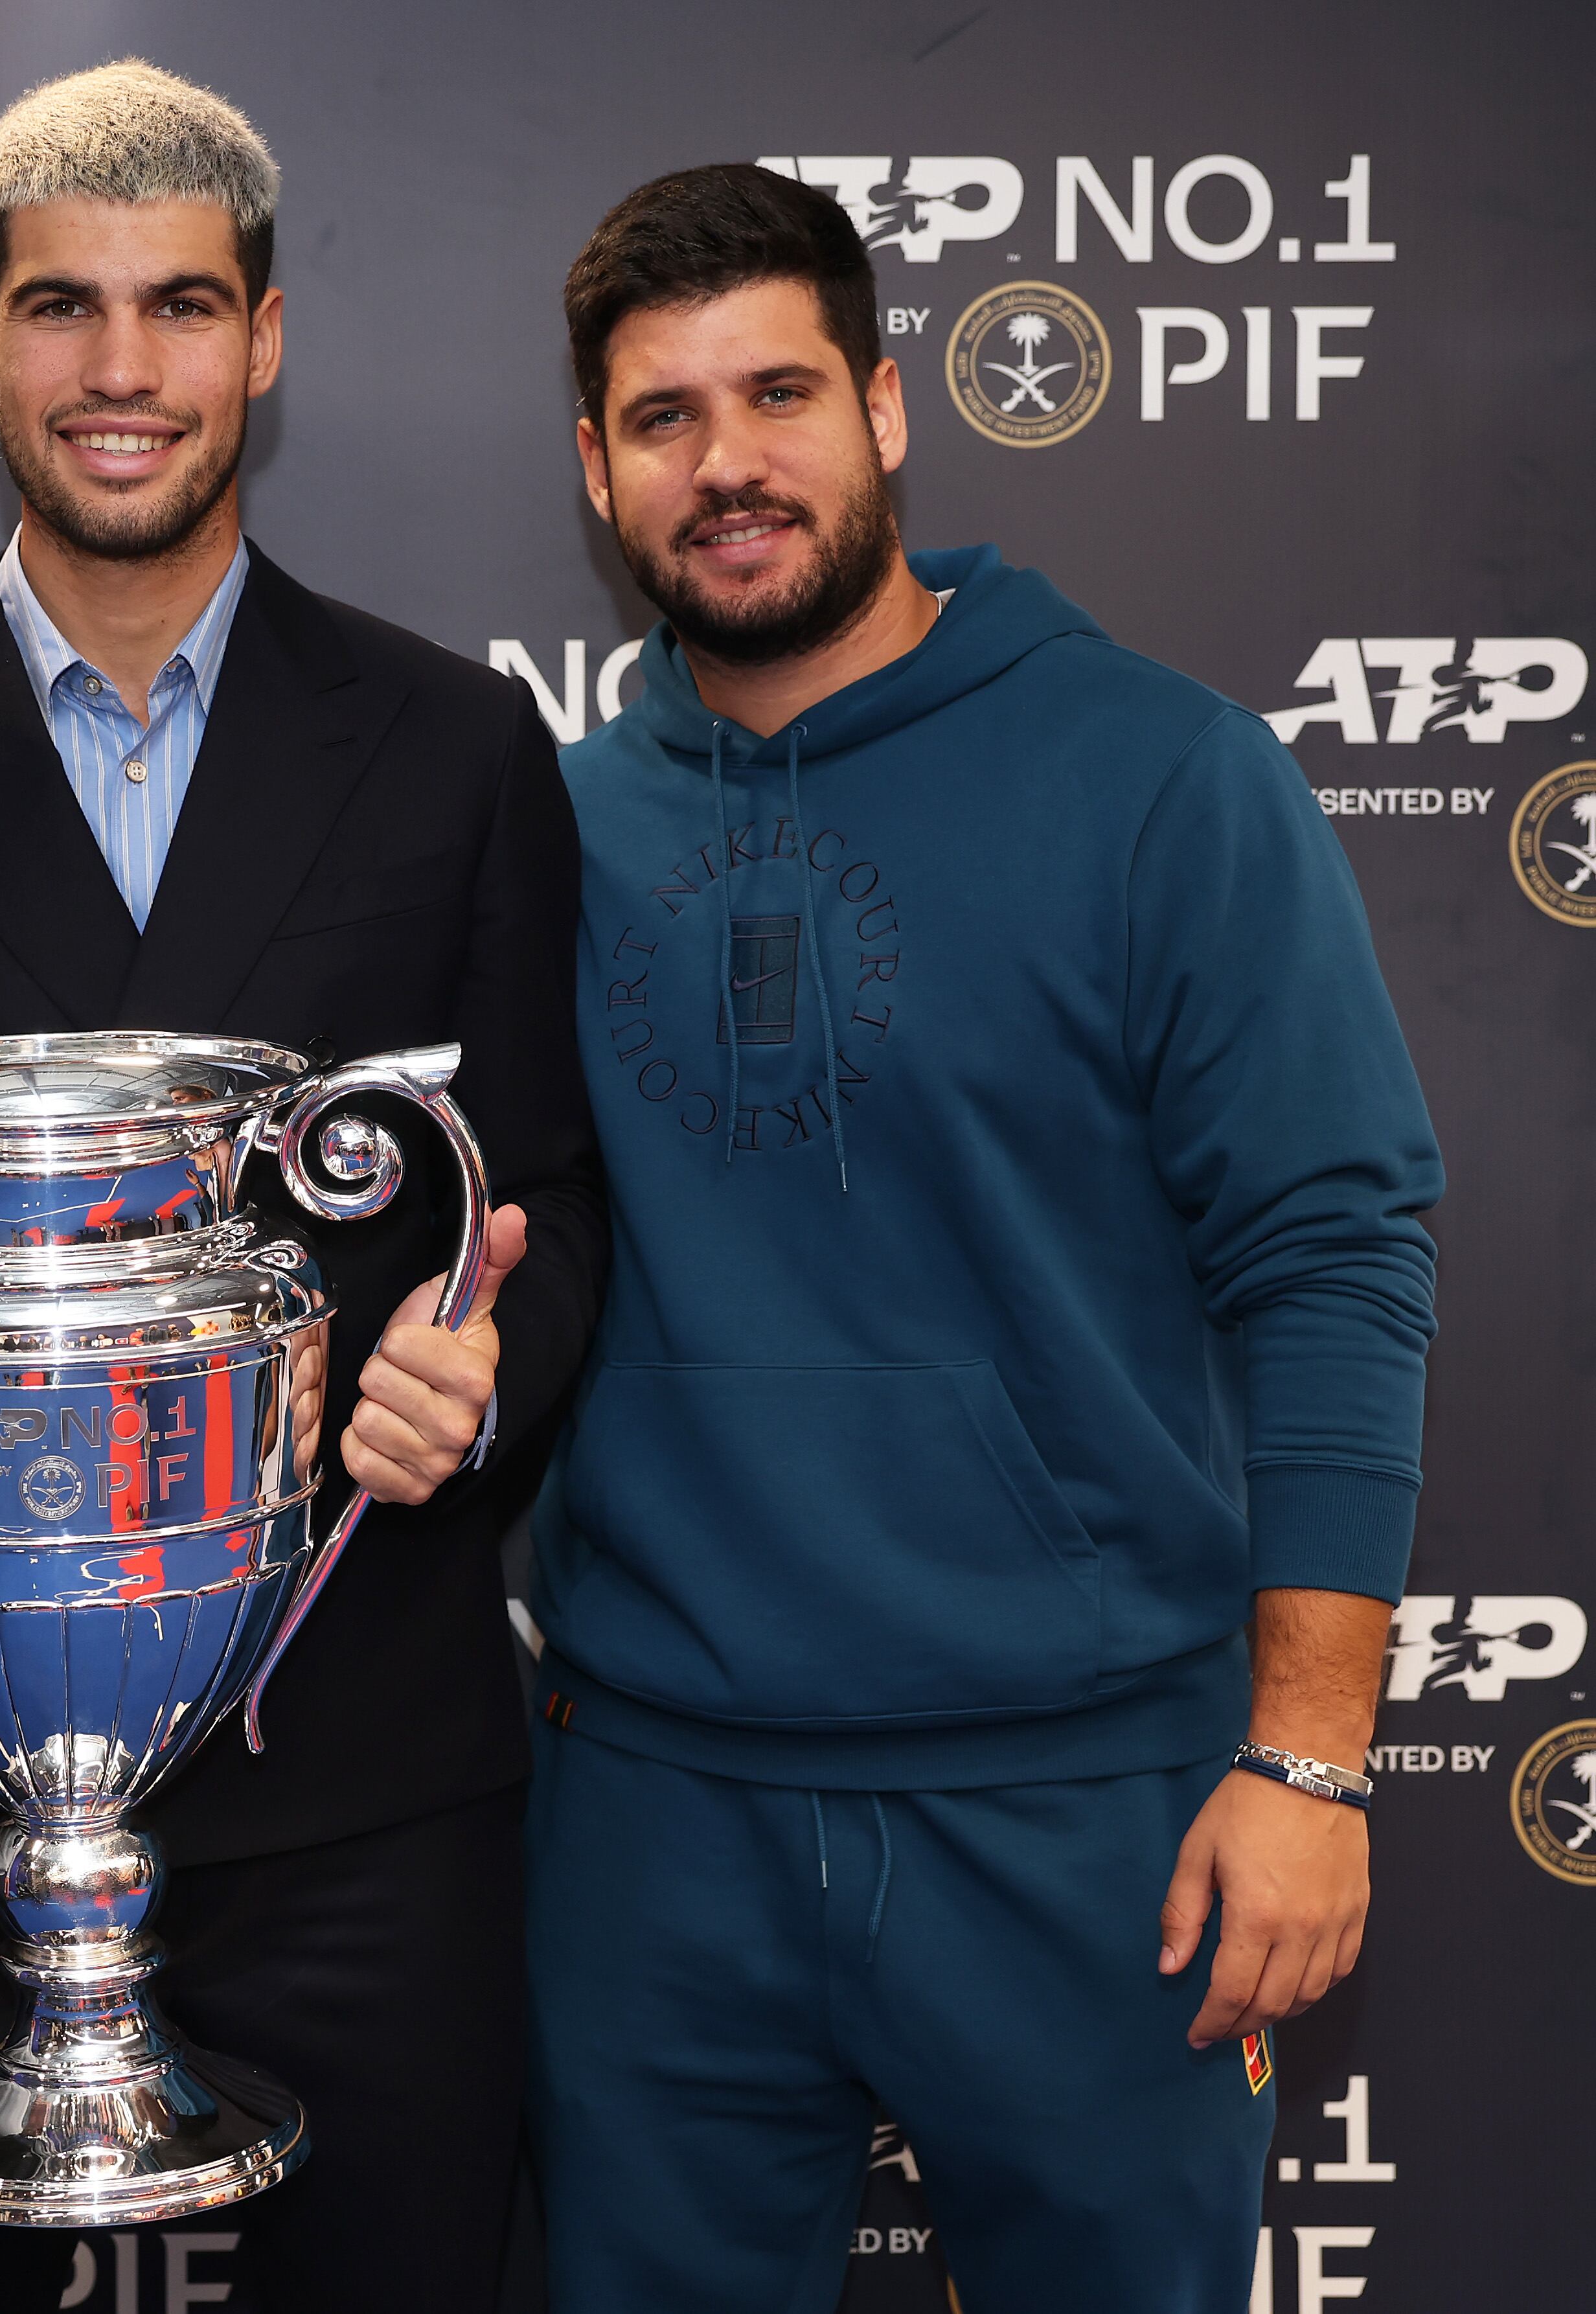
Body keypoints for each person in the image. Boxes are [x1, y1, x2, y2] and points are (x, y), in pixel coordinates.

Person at [0, 60, 608, 2314]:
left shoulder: (458, 748)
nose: (122, 369)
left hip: (361, 1776)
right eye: (61, 308)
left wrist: (479, 1371)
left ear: (264, 337)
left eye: (180, 306)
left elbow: (544, 1198)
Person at [525, 165, 1442, 2313]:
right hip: (659, 1808)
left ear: (889, 407)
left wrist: (1307, 1757)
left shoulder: (1166, 777)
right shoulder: (550, 824)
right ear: (594, 467)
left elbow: (1334, 1257)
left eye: (779, 395)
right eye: (664, 418)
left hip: (1089, 1815)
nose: (728, 463)